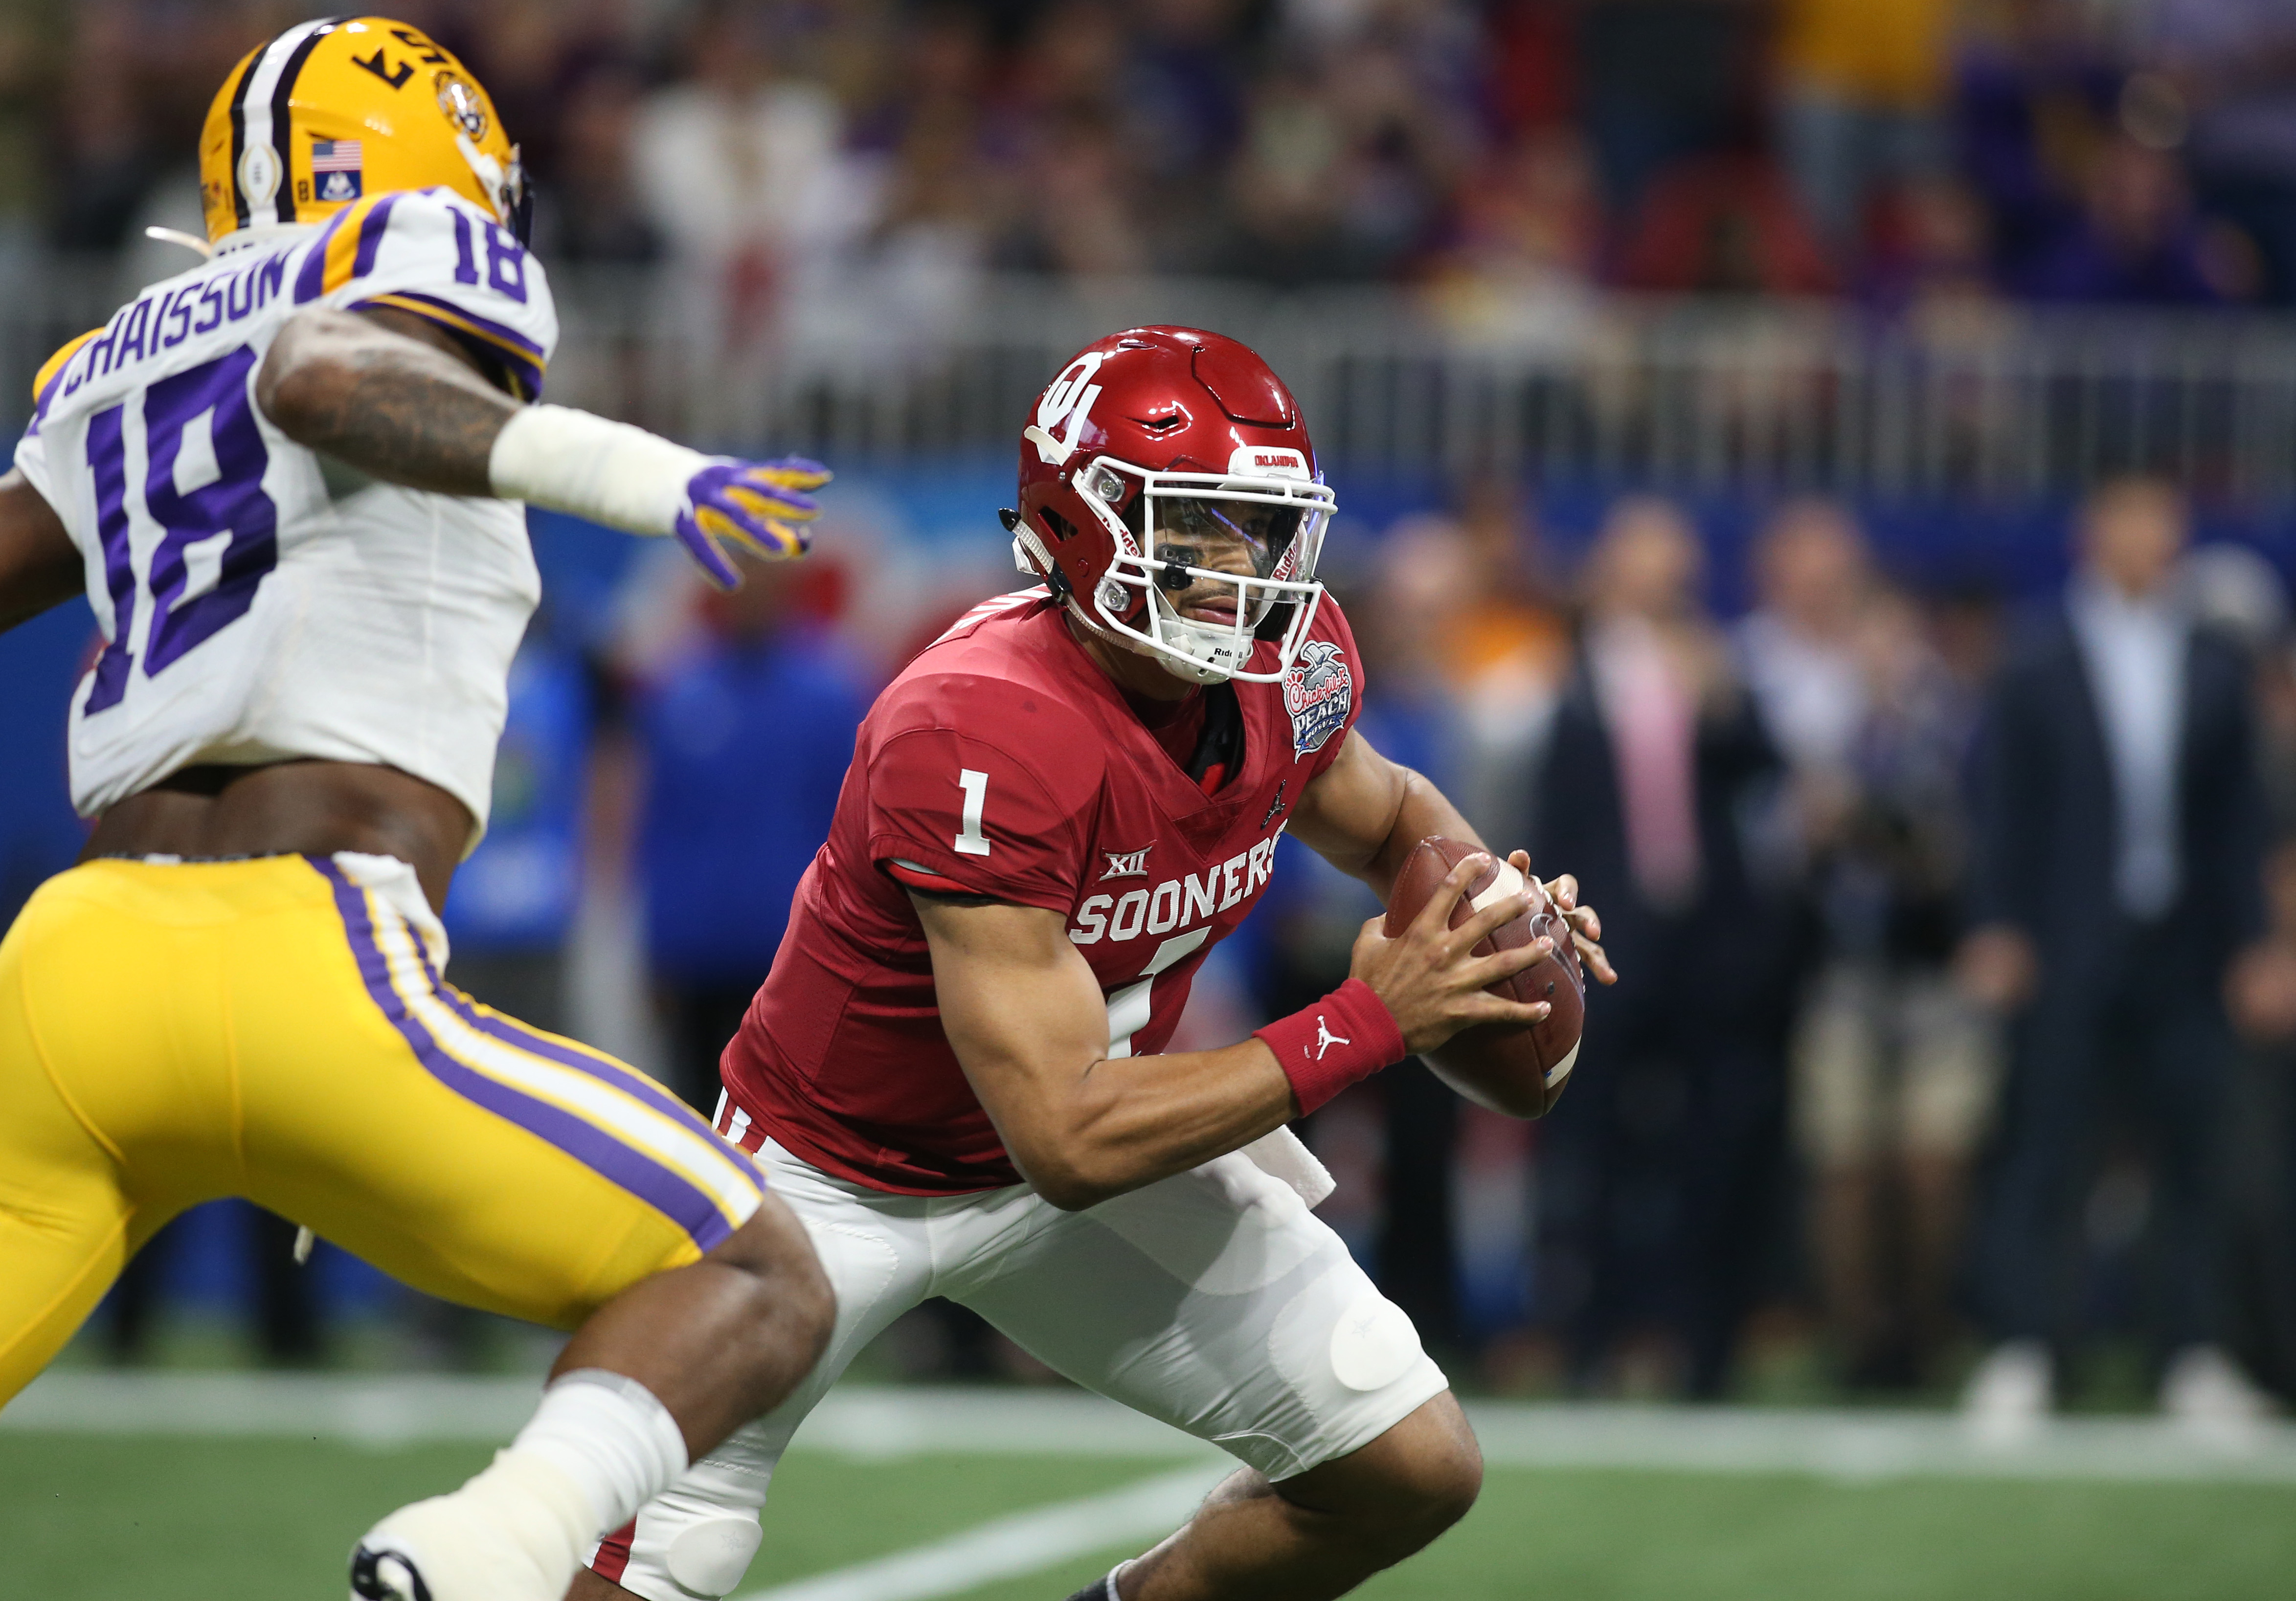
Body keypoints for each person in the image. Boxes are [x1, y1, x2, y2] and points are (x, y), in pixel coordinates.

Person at [571, 327, 1615, 1601]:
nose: (1238, 570)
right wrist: (1368, 1018)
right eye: (1196, 527)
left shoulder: (1283, 668)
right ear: (1077, 524)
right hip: (833, 1177)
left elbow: (1390, 810)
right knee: (648, 1564)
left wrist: (1484, 911)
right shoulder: (978, 722)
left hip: (1079, 1142)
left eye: (1258, 528)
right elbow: (1063, 1131)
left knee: (1407, 1466)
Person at [0, 20, 837, 1601]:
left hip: (71, 969)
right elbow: (321, 375)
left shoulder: (114, 352)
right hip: (301, 948)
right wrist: (636, 475)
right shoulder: (408, 245)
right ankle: (479, 1558)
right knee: (754, 1274)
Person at [1959, 478, 2269, 1433]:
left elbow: (2239, 819)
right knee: (2047, 1147)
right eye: (2127, 520)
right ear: (2092, 533)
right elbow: (2000, 804)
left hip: (2184, 945)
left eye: (2159, 521)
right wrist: (1996, 923)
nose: (2144, 538)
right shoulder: (2035, 656)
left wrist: (2256, 941)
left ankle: (2191, 1351)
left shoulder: (2215, 658)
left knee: (2194, 1152)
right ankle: (2026, 1345)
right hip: (2066, 942)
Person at [1531, 497, 1793, 1397]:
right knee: (1592, 1147)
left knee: (1711, 1147)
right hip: (1605, 942)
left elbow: (1763, 768)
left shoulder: (1710, 660)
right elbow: (1555, 815)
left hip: (1710, 948)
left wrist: (1719, 695)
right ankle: (1591, 1338)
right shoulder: (1571, 672)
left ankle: (1703, 1343)